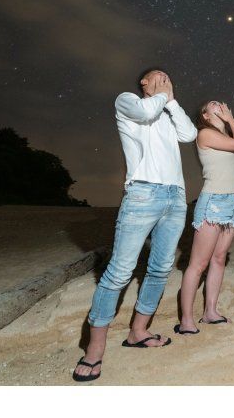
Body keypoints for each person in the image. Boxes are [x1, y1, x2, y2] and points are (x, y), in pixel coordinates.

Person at [73, 68, 198, 382]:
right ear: (143, 82)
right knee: (120, 270)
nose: (164, 78)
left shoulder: (167, 111)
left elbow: (190, 134)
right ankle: (94, 349)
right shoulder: (127, 101)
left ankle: (138, 332)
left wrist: (171, 101)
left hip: (176, 196)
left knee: (160, 268)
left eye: (168, 75)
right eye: (157, 75)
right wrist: (160, 96)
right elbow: (144, 113)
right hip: (143, 192)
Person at [175, 100, 234, 335]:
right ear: (205, 115)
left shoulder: (225, 137)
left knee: (219, 258)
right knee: (198, 264)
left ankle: (210, 312)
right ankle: (186, 320)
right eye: (212, 104)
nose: (220, 103)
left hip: (232, 201)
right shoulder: (205, 134)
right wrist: (231, 118)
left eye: (221, 102)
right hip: (214, 201)